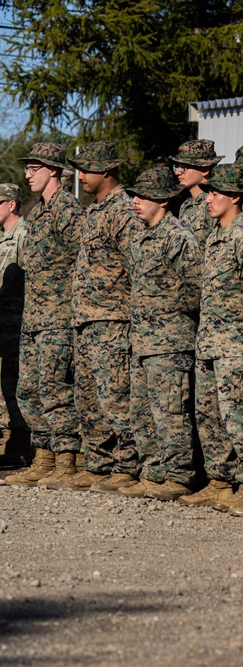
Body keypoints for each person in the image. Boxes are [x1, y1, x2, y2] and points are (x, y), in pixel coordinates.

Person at [6, 143, 83, 486]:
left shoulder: (68, 209)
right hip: (34, 316)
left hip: (59, 316)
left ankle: (68, 459)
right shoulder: (37, 212)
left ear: (53, 170)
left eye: (34, 168)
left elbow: (83, 262)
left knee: (56, 389)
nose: (27, 174)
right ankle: (44, 455)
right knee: (28, 390)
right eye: (27, 168)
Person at [63, 141, 138, 493]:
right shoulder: (94, 210)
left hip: (114, 319)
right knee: (89, 398)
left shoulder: (122, 209)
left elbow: (137, 265)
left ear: (106, 171)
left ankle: (128, 463)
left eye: (86, 169)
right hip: (87, 320)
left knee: (116, 398)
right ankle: (98, 462)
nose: (81, 176)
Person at [124, 168, 201, 501]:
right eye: (135, 195)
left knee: (170, 412)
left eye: (143, 196)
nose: (136, 202)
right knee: (142, 411)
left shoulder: (179, 236)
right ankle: (153, 472)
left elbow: (196, 289)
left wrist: (168, 313)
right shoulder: (143, 235)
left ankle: (178, 475)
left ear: (164, 200)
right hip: (142, 341)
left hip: (170, 341)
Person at [183, 165, 243, 513]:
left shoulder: (239, 235)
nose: (208, 199)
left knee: (237, 416)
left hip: (234, 345)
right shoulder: (215, 236)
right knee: (210, 416)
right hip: (210, 342)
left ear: (235, 196)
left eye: (216, 193)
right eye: (207, 192)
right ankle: (220, 483)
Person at [0, 184, 30, 465]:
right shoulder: (0, 239)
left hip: (15, 323)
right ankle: (12, 438)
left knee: (13, 385)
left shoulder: (24, 235)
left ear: (12, 205)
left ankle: (22, 443)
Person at [170, 139, 223, 245]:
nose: (177, 172)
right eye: (176, 167)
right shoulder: (186, 205)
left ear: (204, 169)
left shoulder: (214, 203)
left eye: (183, 167)